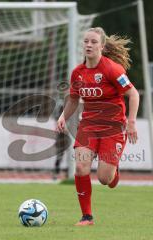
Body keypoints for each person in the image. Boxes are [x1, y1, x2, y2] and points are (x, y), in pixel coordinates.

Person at [56, 27, 139, 226]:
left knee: (104, 179)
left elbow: (133, 94)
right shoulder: (78, 73)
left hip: (113, 127)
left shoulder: (112, 69)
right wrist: (62, 116)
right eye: (86, 41)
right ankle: (87, 217)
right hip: (89, 125)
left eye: (93, 42)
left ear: (102, 46)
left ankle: (113, 172)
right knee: (81, 166)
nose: (89, 45)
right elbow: (74, 100)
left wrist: (132, 122)